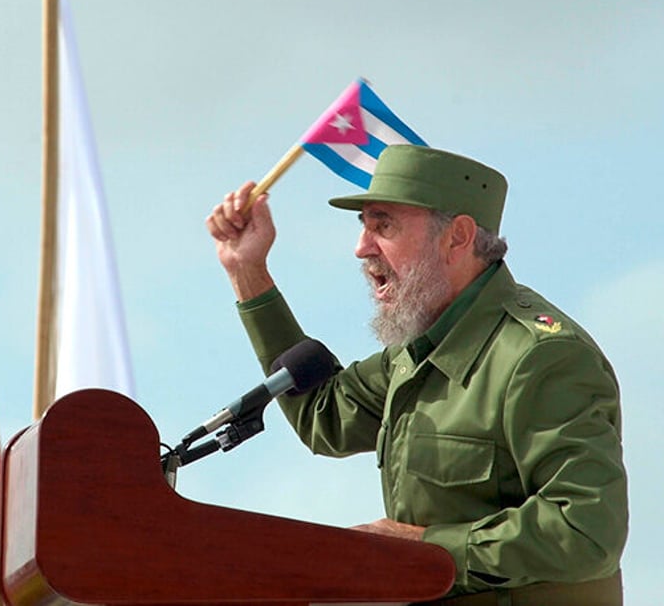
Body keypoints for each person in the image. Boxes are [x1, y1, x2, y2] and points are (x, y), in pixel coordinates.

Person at [205, 145, 628, 605]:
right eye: (364, 226)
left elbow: (587, 532)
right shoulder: (418, 351)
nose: (362, 248)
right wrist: (248, 271)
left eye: (383, 225)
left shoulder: (541, 357)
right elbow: (323, 416)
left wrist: (426, 548)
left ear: (457, 237)